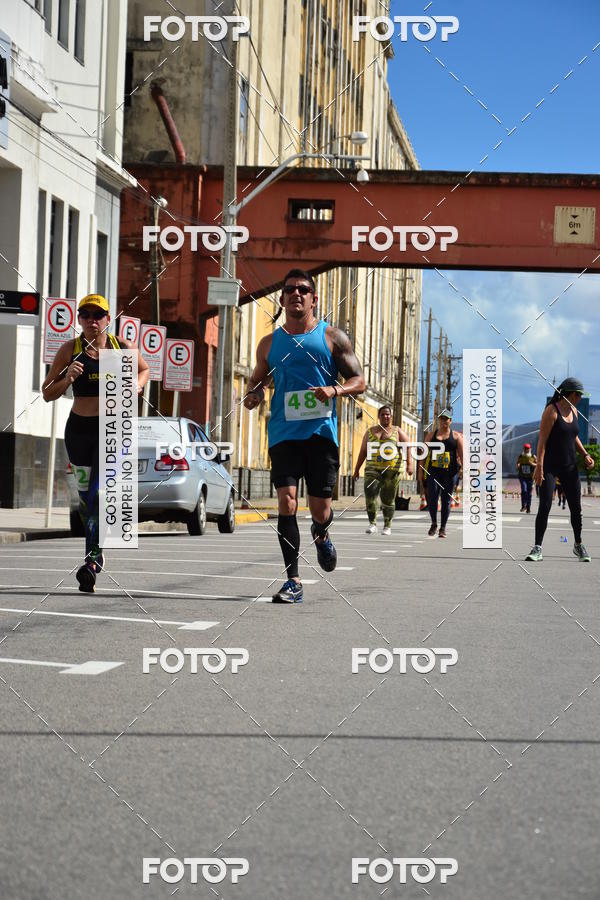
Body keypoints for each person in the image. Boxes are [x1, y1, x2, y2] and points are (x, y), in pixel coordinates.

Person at [244, 269, 365, 603]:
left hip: (320, 435)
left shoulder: (332, 338)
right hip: (283, 433)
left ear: (314, 298)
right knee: (287, 503)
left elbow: (360, 382)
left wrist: (334, 388)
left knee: (320, 510)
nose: (296, 294)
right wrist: (253, 396)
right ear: (281, 299)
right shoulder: (269, 343)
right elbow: (255, 382)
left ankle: (321, 533)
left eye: (303, 289)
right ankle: (292, 581)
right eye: (290, 290)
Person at [42, 294, 149, 592]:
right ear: (79, 320)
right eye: (85, 315)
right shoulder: (70, 350)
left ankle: (90, 562)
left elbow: (144, 369)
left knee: (100, 495)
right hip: (78, 430)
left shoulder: (121, 347)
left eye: (97, 315)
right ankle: (97, 552)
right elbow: (47, 391)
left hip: (111, 430)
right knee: (86, 500)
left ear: (107, 318)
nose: (91, 321)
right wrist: (67, 379)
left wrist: (137, 386)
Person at [526, 377, 594, 562]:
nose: (580, 398)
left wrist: (585, 454)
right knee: (545, 505)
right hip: (549, 467)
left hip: (569, 467)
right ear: (571, 394)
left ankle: (578, 545)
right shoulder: (551, 411)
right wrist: (539, 467)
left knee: (576, 508)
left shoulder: (574, 411)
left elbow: (574, 437)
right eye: (578, 395)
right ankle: (537, 548)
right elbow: (542, 441)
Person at [352, 404, 413, 535]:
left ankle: (387, 525)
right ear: (379, 417)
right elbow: (363, 451)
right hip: (372, 469)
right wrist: (356, 469)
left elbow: (408, 446)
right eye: (383, 414)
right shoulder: (370, 432)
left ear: (391, 417)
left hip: (392, 471)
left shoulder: (397, 431)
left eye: (388, 414)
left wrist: (409, 465)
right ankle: (372, 523)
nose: (385, 416)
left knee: (388, 499)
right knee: (370, 495)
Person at [419, 409, 463, 538]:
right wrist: (420, 470)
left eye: (446, 419)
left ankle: (443, 528)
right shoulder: (431, 436)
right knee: (432, 499)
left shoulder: (455, 437)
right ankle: (434, 523)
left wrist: (463, 472)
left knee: (446, 500)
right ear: (438, 420)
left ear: (450, 421)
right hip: (434, 471)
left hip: (450, 473)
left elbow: (462, 455)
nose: (444, 421)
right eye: (441, 419)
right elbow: (423, 454)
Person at [516, 442, 536, 513]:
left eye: (527, 448)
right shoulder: (521, 456)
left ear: (530, 449)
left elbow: (537, 464)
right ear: (523, 449)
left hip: (530, 477)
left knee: (529, 493)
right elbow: (518, 462)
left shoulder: (533, 456)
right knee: (524, 490)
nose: (526, 450)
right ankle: (523, 506)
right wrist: (518, 466)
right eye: (525, 448)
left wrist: (531, 464)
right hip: (522, 476)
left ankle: (528, 507)